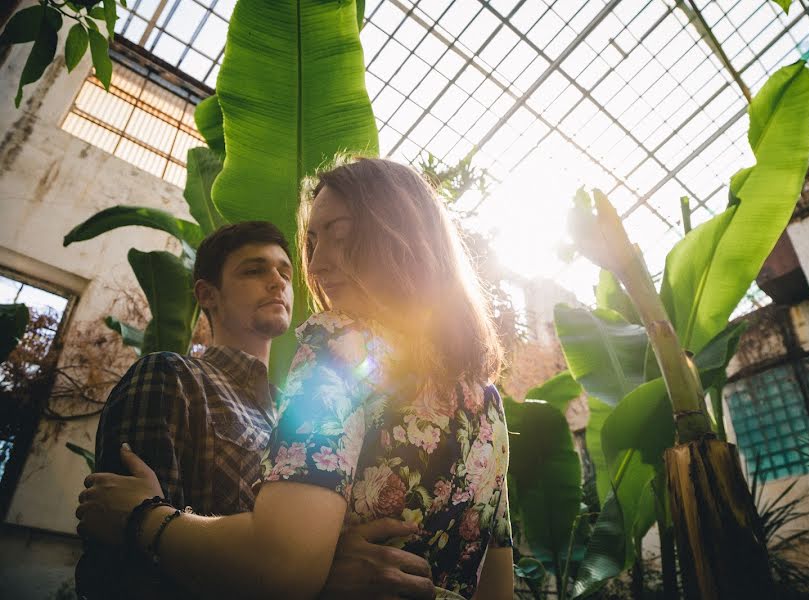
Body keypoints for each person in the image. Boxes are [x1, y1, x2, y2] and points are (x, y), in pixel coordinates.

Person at [76, 158, 514, 599]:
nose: (311, 268)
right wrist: (318, 565)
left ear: (400, 238)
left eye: (289, 268)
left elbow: (283, 564)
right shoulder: (170, 376)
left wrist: (145, 518)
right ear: (206, 293)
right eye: (312, 243)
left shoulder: (334, 350)